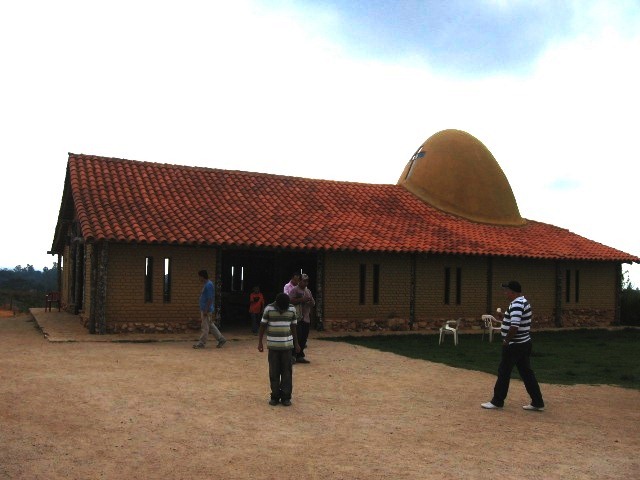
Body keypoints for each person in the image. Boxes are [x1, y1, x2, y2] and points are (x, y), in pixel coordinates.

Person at [481, 281, 545, 411]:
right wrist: (504, 316)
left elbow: (514, 326)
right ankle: (537, 402)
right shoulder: (523, 302)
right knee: (527, 373)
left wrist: (506, 340)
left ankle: (497, 401)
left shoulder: (516, 304)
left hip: (515, 344)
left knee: (504, 372)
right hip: (524, 343)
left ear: (513, 292)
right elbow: (515, 319)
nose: (505, 293)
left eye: (507, 291)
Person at [258, 293, 300, 406]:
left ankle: (286, 397)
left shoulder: (291, 309)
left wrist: (296, 343)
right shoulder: (269, 309)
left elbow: (294, 327)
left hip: (287, 347)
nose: (283, 309)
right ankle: (275, 396)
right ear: (276, 305)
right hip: (273, 347)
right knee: (274, 372)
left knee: (287, 372)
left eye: (285, 307)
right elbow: (262, 325)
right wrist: (260, 342)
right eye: (282, 308)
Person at [193, 270, 226, 349]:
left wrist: (206, 310)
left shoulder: (209, 285)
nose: (199, 279)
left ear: (202, 276)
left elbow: (210, 298)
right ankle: (221, 339)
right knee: (210, 325)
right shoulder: (207, 284)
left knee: (205, 327)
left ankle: (201, 343)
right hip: (206, 309)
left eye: (199, 277)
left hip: (206, 310)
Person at [289, 274, 315, 363]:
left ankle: (300, 356)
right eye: (304, 281)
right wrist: (302, 300)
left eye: (307, 281)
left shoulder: (308, 291)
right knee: (297, 337)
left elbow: (313, 303)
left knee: (304, 337)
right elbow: (290, 301)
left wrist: (310, 301)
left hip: (306, 318)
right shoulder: (294, 290)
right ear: (299, 281)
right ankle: (292, 356)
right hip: (297, 318)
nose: (306, 282)